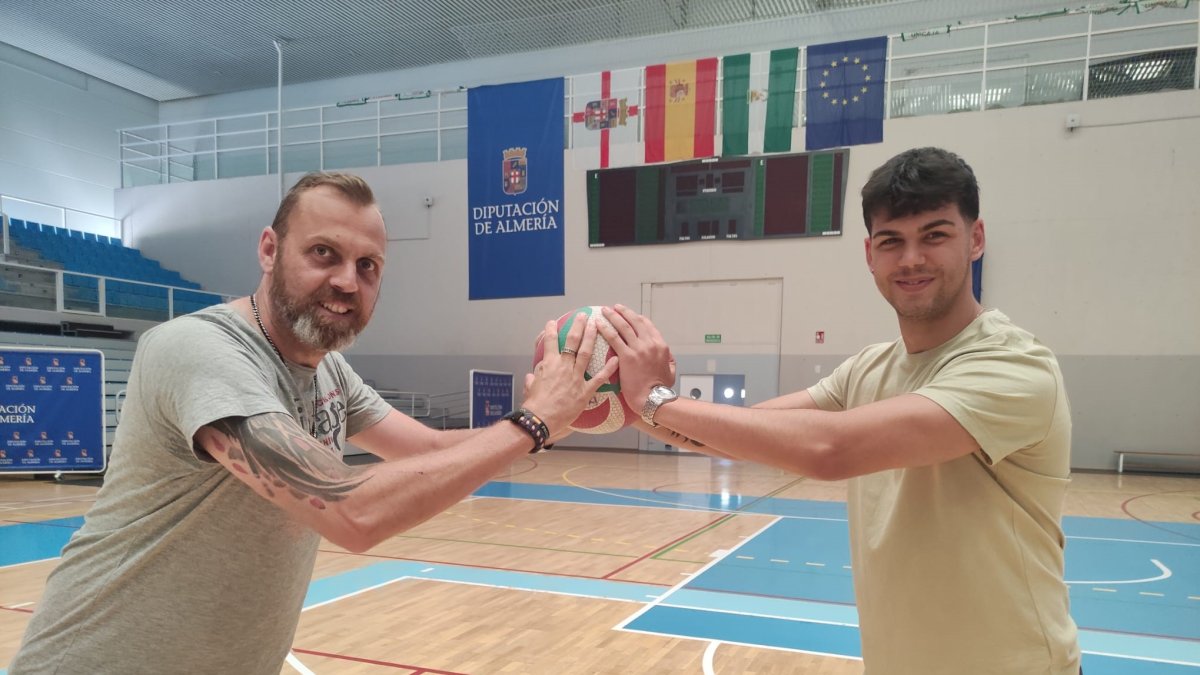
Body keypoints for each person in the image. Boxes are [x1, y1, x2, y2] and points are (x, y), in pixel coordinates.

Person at [10, 172, 613, 675]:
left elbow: (426, 446)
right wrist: (531, 424)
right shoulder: (200, 350)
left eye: (368, 265)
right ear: (269, 249)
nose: (347, 281)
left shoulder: (329, 372)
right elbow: (348, 508)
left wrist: (559, 419)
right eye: (324, 252)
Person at [598, 147, 1080, 675]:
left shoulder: (1014, 365)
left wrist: (656, 400)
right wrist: (622, 404)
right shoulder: (868, 369)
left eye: (935, 235)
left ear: (977, 239)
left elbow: (833, 449)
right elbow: (746, 433)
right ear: (870, 254)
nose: (912, 259)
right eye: (893, 241)